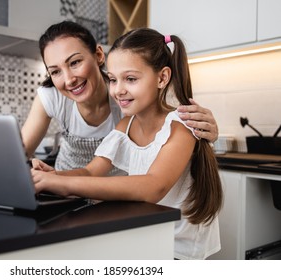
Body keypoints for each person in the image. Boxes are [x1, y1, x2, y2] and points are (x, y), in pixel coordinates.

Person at [31, 27, 223, 260]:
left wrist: (66, 186)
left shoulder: (179, 126)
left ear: (162, 78)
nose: (119, 90)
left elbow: (153, 187)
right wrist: (54, 177)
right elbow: (92, 171)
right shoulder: (125, 126)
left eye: (130, 79)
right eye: (112, 79)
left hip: (179, 250)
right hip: (149, 237)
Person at [21, 20, 219, 172]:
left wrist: (205, 133)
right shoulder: (52, 96)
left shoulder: (127, 99)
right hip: (68, 190)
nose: (69, 79)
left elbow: (169, 124)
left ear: (99, 55)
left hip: (118, 196)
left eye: (75, 62)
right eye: (55, 71)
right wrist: (53, 178)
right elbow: (19, 154)